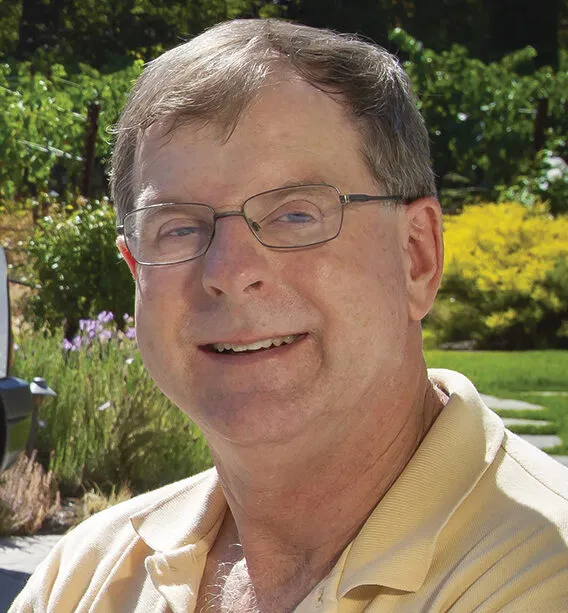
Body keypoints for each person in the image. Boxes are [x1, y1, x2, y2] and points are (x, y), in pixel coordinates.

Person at [11, 18, 568, 613]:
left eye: (296, 214)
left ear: (416, 257)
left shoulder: (541, 574)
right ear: (135, 271)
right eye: (178, 227)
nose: (229, 270)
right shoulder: (85, 576)